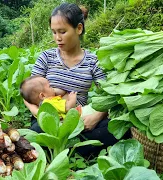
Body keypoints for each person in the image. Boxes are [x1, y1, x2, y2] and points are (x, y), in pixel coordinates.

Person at [23, 2, 122, 157]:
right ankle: (75, 150)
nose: (57, 38)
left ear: (79, 28)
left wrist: (96, 116)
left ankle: (56, 150)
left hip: (80, 122)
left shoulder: (92, 61)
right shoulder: (46, 57)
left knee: (113, 129)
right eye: (54, 32)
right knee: (36, 132)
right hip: (48, 123)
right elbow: (27, 95)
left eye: (62, 32)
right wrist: (42, 115)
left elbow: (107, 95)